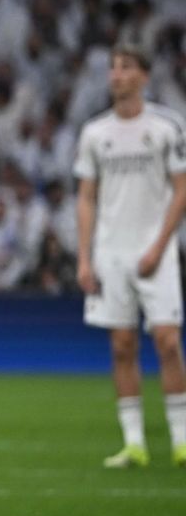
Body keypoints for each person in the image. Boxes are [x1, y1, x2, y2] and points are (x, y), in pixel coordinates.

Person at [74, 44, 186, 469]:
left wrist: (159, 246)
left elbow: (182, 189)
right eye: (113, 69)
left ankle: (181, 440)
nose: (117, 76)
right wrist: (85, 258)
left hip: (155, 249)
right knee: (122, 345)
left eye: (125, 68)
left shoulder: (165, 127)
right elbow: (86, 198)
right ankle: (134, 443)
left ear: (144, 76)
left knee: (168, 340)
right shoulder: (94, 134)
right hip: (111, 253)